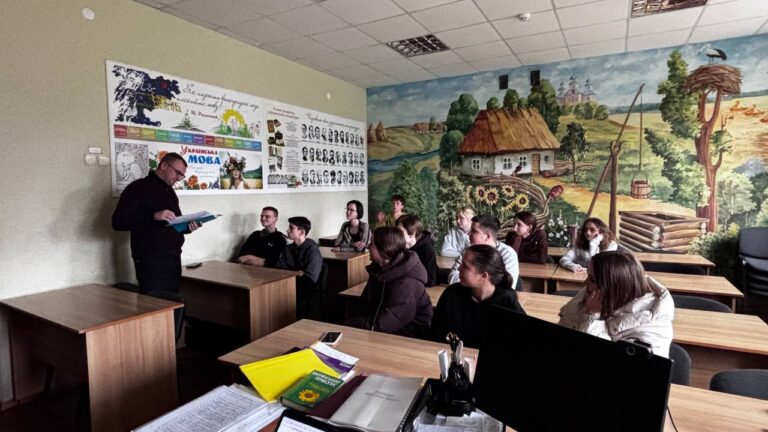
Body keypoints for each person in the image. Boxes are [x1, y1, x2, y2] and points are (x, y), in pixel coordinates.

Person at [558, 250, 674, 358]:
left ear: (615, 287)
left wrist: (591, 317)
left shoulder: (653, 326)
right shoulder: (591, 294)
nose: (585, 283)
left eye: (592, 279)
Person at [112, 152, 200, 294]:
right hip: (150, 261)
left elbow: (174, 222)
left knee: (173, 302)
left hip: (173, 258)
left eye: (182, 175)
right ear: (164, 165)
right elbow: (118, 222)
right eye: (177, 173)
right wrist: (153, 216)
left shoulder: (170, 192)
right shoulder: (137, 188)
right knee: (155, 304)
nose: (179, 178)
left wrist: (188, 227)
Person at [432, 245, 526, 348]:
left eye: (465, 266)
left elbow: (522, 341)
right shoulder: (451, 293)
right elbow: (436, 333)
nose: (459, 268)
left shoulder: (507, 302)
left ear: (483, 276)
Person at [348, 227, 432, 338]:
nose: (368, 246)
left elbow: (385, 325)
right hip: (385, 332)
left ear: (384, 249)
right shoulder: (379, 271)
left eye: (372, 243)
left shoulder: (406, 283)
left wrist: (347, 325)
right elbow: (365, 306)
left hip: (409, 338)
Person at [448, 215, 519, 288]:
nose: (469, 234)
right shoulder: (467, 251)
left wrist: (471, 282)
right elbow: (452, 277)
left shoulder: (507, 254)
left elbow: (507, 286)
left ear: (487, 236)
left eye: (474, 231)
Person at [273, 216, 324, 319]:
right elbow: (279, 270)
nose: (287, 230)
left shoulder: (312, 249)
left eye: (291, 228)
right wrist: (297, 273)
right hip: (289, 287)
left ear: (301, 232)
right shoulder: (288, 249)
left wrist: (291, 272)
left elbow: (310, 279)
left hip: (308, 293)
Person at [396, 215, 437, 287]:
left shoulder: (427, 249)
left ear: (412, 234)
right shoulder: (401, 246)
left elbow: (430, 281)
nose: (396, 236)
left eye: (400, 233)